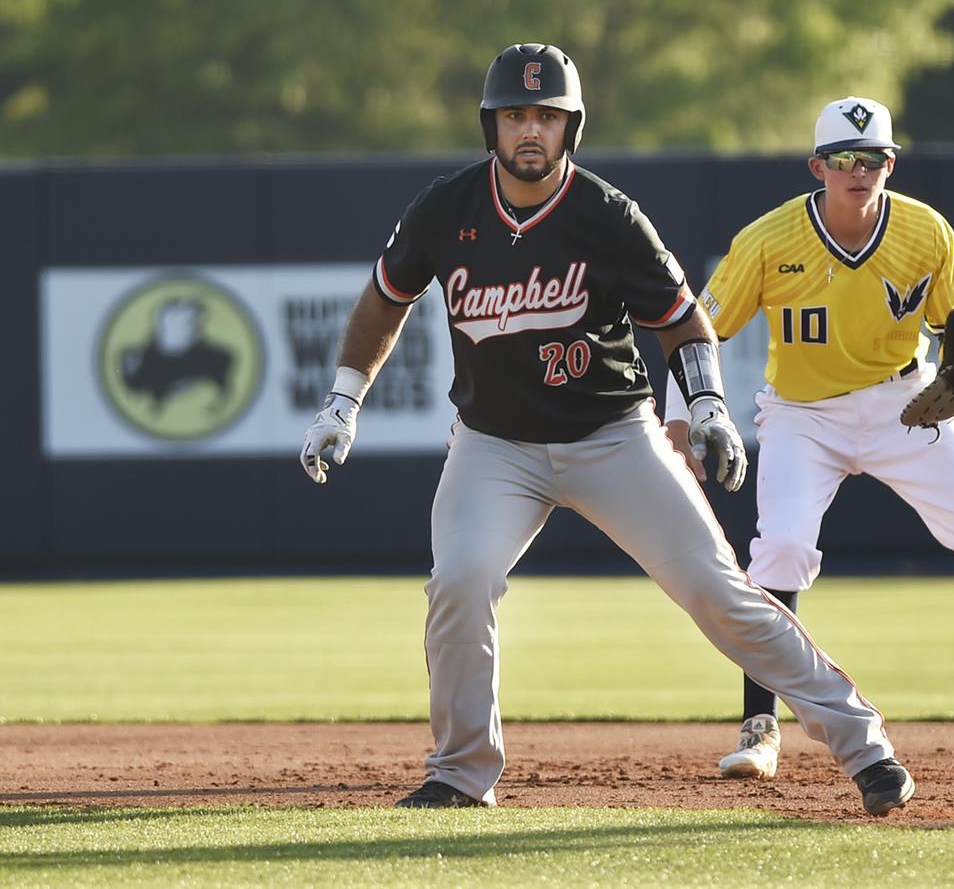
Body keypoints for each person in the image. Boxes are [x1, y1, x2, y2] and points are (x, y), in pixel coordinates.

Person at [300, 47, 914, 816]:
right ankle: (459, 773)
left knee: (717, 592)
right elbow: (385, 299)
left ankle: (863, 744)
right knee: (458, 581)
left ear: (571, 128)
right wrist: (341, 402)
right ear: (492, 124)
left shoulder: (606, 214)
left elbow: (683, 321)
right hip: (494, 443)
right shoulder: (446, 208)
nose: (531, 130)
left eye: (547, 116)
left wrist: (709, 405)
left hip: (612, 435)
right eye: (517, 115)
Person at [665, 96, 954, 781]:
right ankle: (760, 727)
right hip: (804, 414)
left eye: (873, 158)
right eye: (844, 159)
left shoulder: (925, 231)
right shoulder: (768, 241)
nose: (859, 170)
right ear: (818, 166)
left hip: (902, 403)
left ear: (891, 163)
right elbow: (696, 331)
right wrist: (680, 424)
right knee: (784, 549)